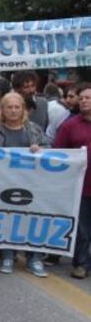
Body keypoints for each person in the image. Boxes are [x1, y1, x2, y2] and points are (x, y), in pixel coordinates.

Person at [0, 92, 49, 277]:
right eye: (9, 107)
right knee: (9, 219)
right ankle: (8, 255)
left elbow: (50, 150)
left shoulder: (34, 129)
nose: (13, 110)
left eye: (17, 107)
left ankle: (34, 258)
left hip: (32, 184)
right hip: (5, 184)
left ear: (23, 109)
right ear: (3, 110)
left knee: (33, 219)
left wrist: (40, 150)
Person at [54, 83, 91, 279]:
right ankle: (82, 264)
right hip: (81, 187)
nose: (84, 101)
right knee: (83, 229)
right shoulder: (69, 126)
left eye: (88, 97)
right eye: (82, 97)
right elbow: (58, 153)